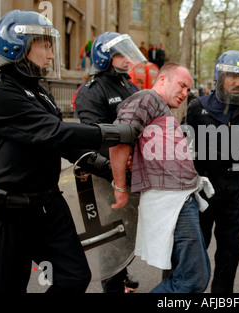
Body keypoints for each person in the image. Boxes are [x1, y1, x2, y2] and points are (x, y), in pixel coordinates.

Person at [0, 10, 137, 293]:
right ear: (18, 45)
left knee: (74, 276)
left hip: (48, 205)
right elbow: (54, 131)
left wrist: (108, 169)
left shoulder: (39, 91)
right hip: (8, 210)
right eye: (45, 45)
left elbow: (63, 142)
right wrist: (116, 133)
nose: (51, 55)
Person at [109, 63, 213, 293]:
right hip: (171, 201)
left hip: (181, 198)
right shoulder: (146, 98)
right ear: (163, 79)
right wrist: (120, 186)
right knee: (193, 278)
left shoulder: (160, 107)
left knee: (197, 273)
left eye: (189, 89)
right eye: (182, 85)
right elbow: (119, 138)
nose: (185, 93)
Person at [186, 50, 239, 293]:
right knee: (193, 252)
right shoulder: (196, 109)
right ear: (220, 77)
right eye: (232, 75)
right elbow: (182, 153)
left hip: (233, 195)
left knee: (230, 252)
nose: (238, 82)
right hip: (200, 194)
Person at [75, 32, 146, 293]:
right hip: (107, 175)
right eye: (120, 54)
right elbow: (92, 137)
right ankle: (114, 285)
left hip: (132, 171)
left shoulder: (130, 86)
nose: (127, 59)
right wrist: (117, 165)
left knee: (128, 227)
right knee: (112, 236)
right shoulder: (92, 91)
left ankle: (123, 272)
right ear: (105, 57)